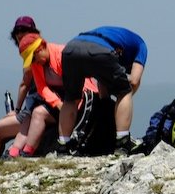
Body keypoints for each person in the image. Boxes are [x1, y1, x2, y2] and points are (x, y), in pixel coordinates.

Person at [56, 26, 147, 155]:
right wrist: (121, 101)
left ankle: (63, 145)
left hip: (71, 48)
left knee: (71, 98)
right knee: (124, 91)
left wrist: (105, 102)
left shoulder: (117, 40)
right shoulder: (141, 45)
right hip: (99, 51)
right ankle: (122, 142)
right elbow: (134, 81)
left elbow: (102, 80)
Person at [16, 33, 99, 157]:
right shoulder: (36, 64)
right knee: (38, 113)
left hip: (80, 97)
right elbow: (42, 88)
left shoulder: (62, 55)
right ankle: (27, 152)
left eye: (34, 58)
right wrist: (57, 103)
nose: (34, 62)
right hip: (61, 100)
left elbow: (82, 82)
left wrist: (71, 106)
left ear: (41, 48)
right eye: (31, 60)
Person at [0, 15, 44, 166]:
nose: (20, 34)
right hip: (39, 108)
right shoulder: (42, 49)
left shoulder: (31, 54)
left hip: (33, 110)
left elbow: (25, 85)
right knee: (2, 127)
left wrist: (17, 109)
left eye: (24, 30)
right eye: (17, 31)